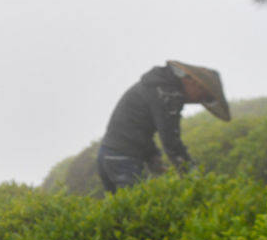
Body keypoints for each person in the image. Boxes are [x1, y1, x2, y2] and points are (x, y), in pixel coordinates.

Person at [97, 60, 230, 193]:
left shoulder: (158, 85)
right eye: (204, 97)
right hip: (122, 160)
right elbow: (171, 141)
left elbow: (139, 127)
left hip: (107, 155)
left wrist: (153, 157)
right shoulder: (167, 94)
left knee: (124, 210)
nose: (198, 101)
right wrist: (194, 177)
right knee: (139, 209)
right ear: (194, 83)